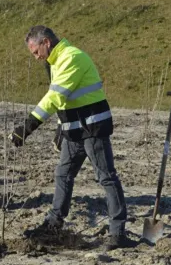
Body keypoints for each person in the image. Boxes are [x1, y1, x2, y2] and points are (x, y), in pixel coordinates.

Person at [11, 25, 134, 251]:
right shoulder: (55, 62)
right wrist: (61, 128)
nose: (36, 57)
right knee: (63, 173)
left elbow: (55, 96)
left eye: (36, 51)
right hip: (75, 129)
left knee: (106, 177)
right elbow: (67, 100)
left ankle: (118, 233)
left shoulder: (72, 57)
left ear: (46, 42)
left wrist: (28, 126)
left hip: (93, 127)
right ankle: (53, 223)